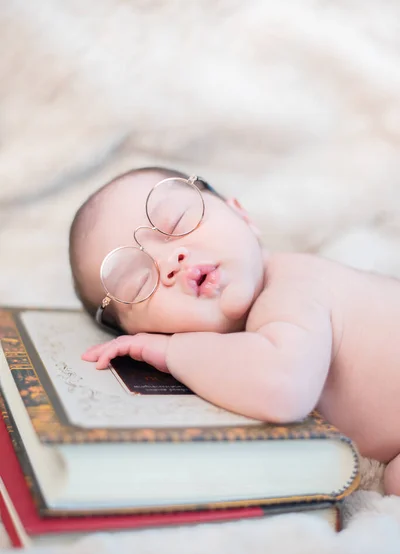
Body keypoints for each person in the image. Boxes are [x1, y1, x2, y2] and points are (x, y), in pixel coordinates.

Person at [69, 166, 400, 495]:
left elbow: (284, 388)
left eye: (177, 221)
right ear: (143, 329)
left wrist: (172, 353)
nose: (172, 259)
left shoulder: (293, 286)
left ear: (243, 216)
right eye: (139, 280)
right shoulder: (238, 352)